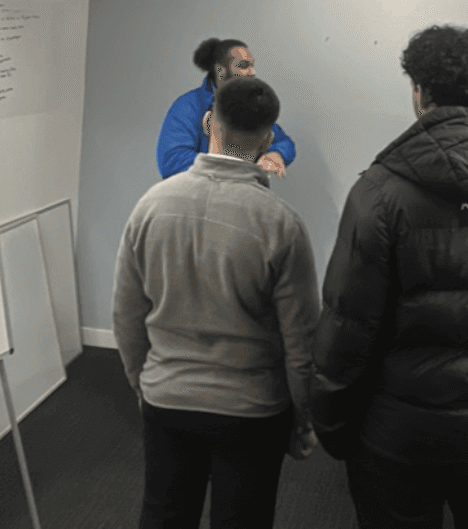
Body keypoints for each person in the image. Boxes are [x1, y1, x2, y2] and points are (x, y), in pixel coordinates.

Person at [308, 25, 468, 529]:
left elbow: (347, 330)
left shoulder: (380, 194)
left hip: (397, 437)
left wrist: (333, 427)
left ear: (420, 92)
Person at [114, 76, 319, 529]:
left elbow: (126, 317)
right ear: (267, 138)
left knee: (165, 515)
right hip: (252, 410)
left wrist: (145, 386)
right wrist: (302, 418)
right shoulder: (282, 224)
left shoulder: (150, 207)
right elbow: (301, 341)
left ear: (210, 123)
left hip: (168, 399)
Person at [155, 37, 297, 179]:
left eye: (252, 65)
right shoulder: (187, 107)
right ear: (221, 71)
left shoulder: (250, 105)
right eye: (243, 66)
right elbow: (172, 160)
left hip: (243, 193)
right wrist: (232, 170)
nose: (252, 72)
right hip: (198, 196)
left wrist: (276, 154)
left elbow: (283, 141)